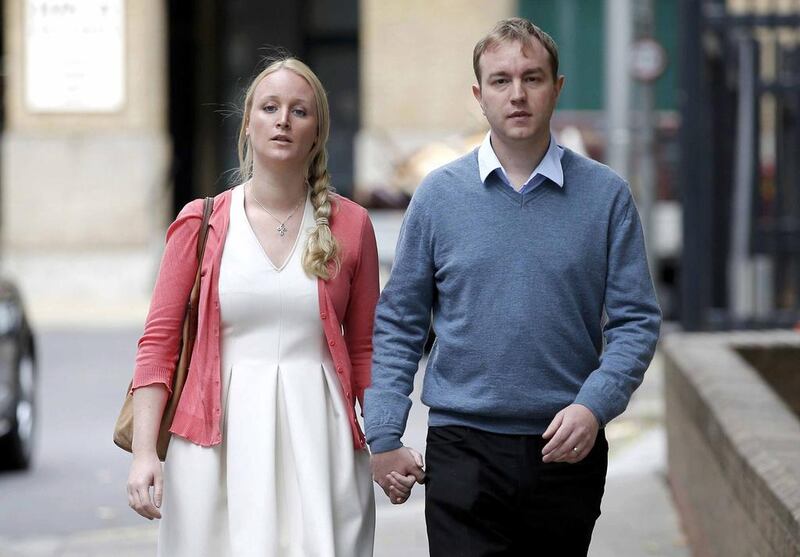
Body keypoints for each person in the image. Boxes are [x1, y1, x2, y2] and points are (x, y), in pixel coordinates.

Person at [364, 17, 662, 557]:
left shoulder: (606, 196)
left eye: (533, 77)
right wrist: (383, 433)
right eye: (501, 81)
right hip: (462, 449)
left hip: (566, 444)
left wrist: (595, 405)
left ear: (558, 87)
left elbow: (636, 322)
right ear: (479, 95)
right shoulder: (438, 196)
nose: (518, 94)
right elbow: (400, 321)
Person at [125, 56, 378, 557]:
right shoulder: (200, 223)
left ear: (317, 131)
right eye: (270, 107)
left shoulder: (352, 226)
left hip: (320, 445)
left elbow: (368, 349)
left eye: (299, 111)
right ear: (248, 123)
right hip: (213, 449)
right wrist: (142, 457)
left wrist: (385, 441)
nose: (283, 120)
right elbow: (158, 344)